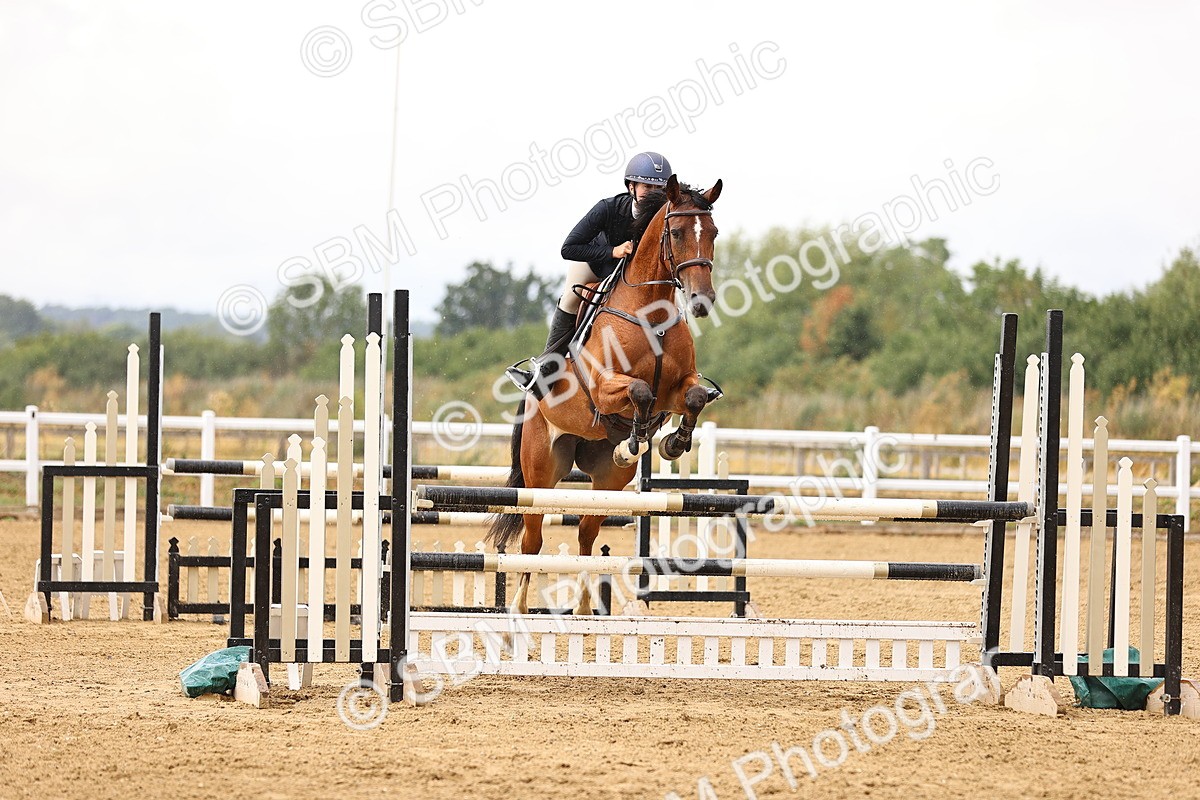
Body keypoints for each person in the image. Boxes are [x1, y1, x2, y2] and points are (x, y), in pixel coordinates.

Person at [505, 151, 672, 394]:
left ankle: (682, 374)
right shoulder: (608, 208)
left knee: (676, 303)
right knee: (570, 301)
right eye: (646, 186)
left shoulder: (666, 217)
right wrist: (612, 251)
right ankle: (545, 373)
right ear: (631, 186)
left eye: (659, 188)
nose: (653, 193)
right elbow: (568, 248)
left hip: (637, 279)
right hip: (597, 265)